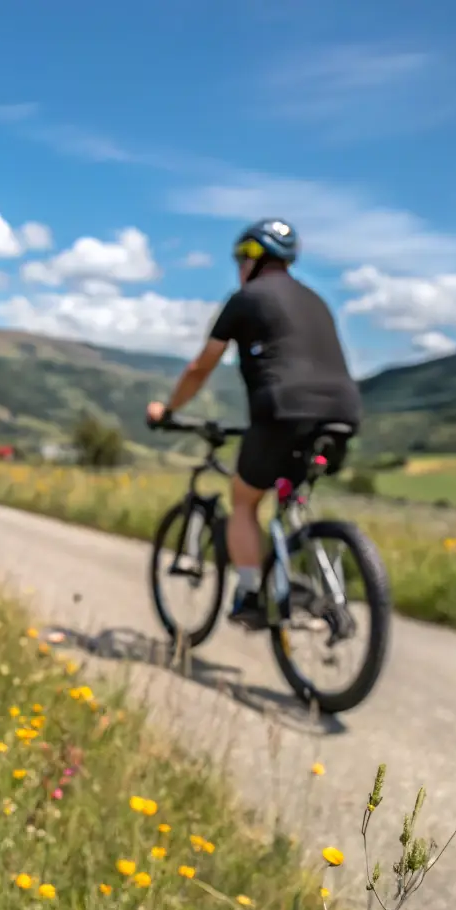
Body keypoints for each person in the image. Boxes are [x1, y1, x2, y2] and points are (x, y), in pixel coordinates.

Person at [146, 218, 363, 628]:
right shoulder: (315, 299)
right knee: (289, 495)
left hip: (283, 410)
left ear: (253, 257)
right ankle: (303, 578)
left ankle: (248, 594)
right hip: (343, 412)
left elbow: (200, 368)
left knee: (244, 500)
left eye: (239, 258)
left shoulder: (245, 299)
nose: (237, 267)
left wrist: (169, 411)